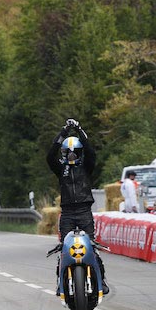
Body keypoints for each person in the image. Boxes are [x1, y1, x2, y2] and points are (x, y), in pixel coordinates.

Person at [46, 118, 109, 295]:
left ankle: (101, 281)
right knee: (65, 251)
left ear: (80, 153)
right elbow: (50, 156)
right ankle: (61, 283)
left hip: (84, 212)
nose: (72, 155)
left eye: (75, 152)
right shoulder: (61, 170)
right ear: (64, 153)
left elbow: (91, 152)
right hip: (67, 214)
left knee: (92, 249)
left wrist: (79, 130)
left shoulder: (86, 167)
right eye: (68, 152)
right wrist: (64, 132)